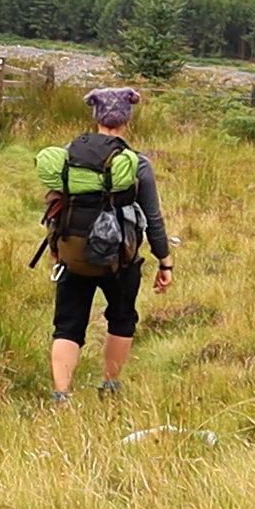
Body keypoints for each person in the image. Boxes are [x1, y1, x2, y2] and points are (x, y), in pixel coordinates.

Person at [42, 87, 173, 404]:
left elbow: (54, 208)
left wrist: (56, 251)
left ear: (96, 117)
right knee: (122, 319)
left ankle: (61, 396)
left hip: (73, 255)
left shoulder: (69, 156)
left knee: (67, 326)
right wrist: (164, 261)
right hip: (121, 259)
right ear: (127, 119)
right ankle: (110, 387)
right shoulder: (136, 163)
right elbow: (153, 218)